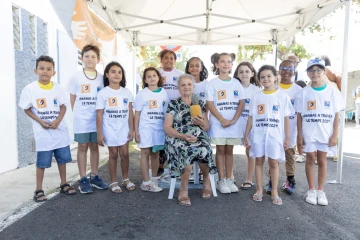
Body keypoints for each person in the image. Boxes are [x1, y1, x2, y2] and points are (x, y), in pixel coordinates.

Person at [19, 55, 76, 202]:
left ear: (53, 72)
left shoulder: (58, 88)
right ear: (35, 70)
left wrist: (57, 121)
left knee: (62, 160)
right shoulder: (30, 89)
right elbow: (26, 109)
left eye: (49, 69)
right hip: (43, 134)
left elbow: (63, 106)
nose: (45, 71)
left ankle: (63, 184)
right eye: (42, 68)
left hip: (59, 132)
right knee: (42, 163)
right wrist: (40, 121)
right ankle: (38, 189)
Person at [296, 57, 344, 206]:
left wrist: (335, 134)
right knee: (310, 158)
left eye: (318, 70)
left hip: (325, 133)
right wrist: (299, 135)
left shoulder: (332, 92)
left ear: (324, 72)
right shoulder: (303, 93)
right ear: (308, 73)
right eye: (311, 70)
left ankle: (321, 190)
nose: (315, 73)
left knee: (322, 160)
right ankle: (311, 189)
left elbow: (336, 115)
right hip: (309, 133)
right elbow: (299, 116)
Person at [164, 74, 216, 206]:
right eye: (183, 85)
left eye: (189, 85)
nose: (186, 87)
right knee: (185, 149)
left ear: (193, 87)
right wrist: (182, 136)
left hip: (198, 136)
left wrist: (200, 123)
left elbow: (206, 126)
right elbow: (167, 127)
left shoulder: (199, 103)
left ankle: (206, 181)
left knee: (204, 148)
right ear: (179, 89)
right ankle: (183, 189)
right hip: (178, 137)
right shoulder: (173, 104)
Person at [244, 65, 293, 206]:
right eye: (262, 77)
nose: (266, 79)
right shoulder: (256, 96)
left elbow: (286, 118)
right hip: (258, 134)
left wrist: (287, 137)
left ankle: (274, 192)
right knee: (259, 161)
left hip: (275, 136)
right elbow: (251, 117)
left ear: (275, 77)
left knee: (274, 162)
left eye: (269, 76)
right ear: (259, 80)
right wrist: (246, 134)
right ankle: (259, 189)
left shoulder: (282, 96)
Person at [68, 44, 108, 193]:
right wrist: (79, 115)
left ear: (98, 59)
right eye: (87, 56)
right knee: (82, 147)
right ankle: (83, 178)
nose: (90, 59)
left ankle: (95, 176)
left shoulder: (102, 78)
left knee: (94, 147)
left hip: (96, 119)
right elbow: (72, 99)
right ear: (82, 58)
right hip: (82, 120)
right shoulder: (76, 77)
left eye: (93, 56)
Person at [206, 52, 245, 194]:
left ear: (231, 65)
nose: (226, 64)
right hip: (218, 124)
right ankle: (221, 179)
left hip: (233, 124)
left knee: (230, 150)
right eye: (222, 61)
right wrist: (222, 119)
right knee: (220, 149)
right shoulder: (212, 83)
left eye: (229, 62)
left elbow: (241, 102)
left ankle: (229, 178)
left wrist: (233, 120)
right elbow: (209, 104)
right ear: (217, 64)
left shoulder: (236, 83)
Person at [96, 62, 135, 193]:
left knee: (125, 154)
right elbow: (99, 114)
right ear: (107, 75)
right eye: (113, 71)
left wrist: (132, 129)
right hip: (110, 128)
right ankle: (113, 181)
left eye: (119, 72)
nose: (116, 74)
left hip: (123, 128)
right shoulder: (103, 93)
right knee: (113, 154)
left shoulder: (127, 92)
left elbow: (130, 112)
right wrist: (99, 133)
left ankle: (125, 179)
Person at [134, 67, 169, 192]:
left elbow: (167, 112)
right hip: (145, 128)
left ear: (159, 78)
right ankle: (146, 182)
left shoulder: (164, 93)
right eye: (149, 76)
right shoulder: (142, 94)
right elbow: (137, 114)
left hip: (159, 128)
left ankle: (154, 179)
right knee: (145, 153)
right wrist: (136, 130)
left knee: (156, 154)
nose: (152, 78)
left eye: (154, 75)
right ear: (145, 80)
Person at [275, 60, 303, 195]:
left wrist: (299, 134)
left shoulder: (299, 90)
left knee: (290, 155)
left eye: (290, 69)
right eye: (283, 68)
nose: (286, 71)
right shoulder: (273, 87)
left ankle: (290, 180)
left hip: (291, 129)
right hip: (275, 128)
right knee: (273, 155)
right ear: (279, 70)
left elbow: (299, 114)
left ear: (294, 72)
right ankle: (272, 181)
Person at [233, 62, 260, 190]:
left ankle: (249, 179)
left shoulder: (256, 90)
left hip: (250, 125)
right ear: (237, 74)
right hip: (235, 123)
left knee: (249, 151)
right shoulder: (232, 87)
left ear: (252, 73)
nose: (244, 74)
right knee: (229, 150)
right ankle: (230, 176)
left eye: (247, 71)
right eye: (241, 71)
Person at [157, 50, 184, 176]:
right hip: (159, 111)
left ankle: (176, 165)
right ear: (161, 60)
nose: (169, 60)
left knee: (175, 137)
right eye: (166, 58)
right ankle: (160, 166)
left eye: (172, 58)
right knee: (162, 139)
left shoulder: (180, 74)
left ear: (175, 60)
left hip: (176, 111)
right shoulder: (157, 73)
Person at [295, 80, 307, 163]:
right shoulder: (295, 96)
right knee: (298, 137)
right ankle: (301, 154)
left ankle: (315, 157)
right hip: (297, 119)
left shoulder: (306, 96)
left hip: (306, 121)